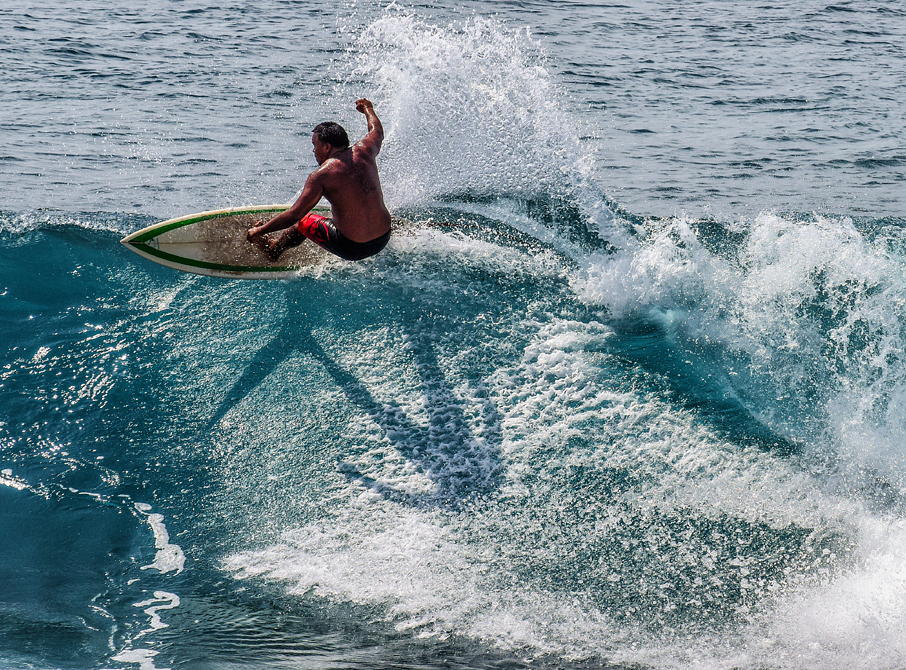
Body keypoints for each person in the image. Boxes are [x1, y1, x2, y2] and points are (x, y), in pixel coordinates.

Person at [247, 98, 392, 261]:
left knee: (304, 220)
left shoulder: (322, 175)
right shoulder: (366, 149)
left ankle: (274, 250)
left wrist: (259, 231)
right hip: (383, 238)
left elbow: (294, 215)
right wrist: (368, 108)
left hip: (352, 248)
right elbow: (377, 131)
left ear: (327, 147)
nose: (314, 150)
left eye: (314, 145)